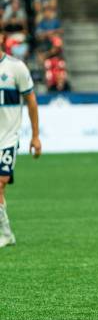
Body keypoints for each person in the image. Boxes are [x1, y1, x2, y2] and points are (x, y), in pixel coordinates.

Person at [0, 32, 42, 247]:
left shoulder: (16, 68)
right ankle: (6, 233)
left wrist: (35, 136)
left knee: (0, 182)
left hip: (7, 137)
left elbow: (31, 101)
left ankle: (6, 234)